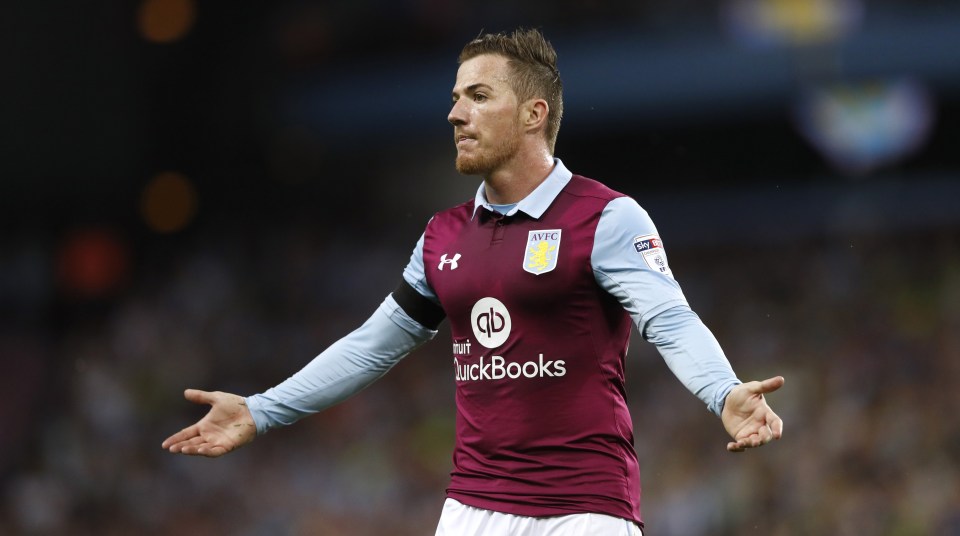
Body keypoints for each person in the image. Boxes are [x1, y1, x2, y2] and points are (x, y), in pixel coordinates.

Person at [162, 28, 784, 535]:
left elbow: (669, 319)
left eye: (479, 96)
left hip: (584, 510)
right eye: (457, 97)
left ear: (534, 114)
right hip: (471, 510)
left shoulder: (605, 217)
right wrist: (262, 409)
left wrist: (722, 393)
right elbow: (373, 344)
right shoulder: (443, 236)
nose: (456, 113)